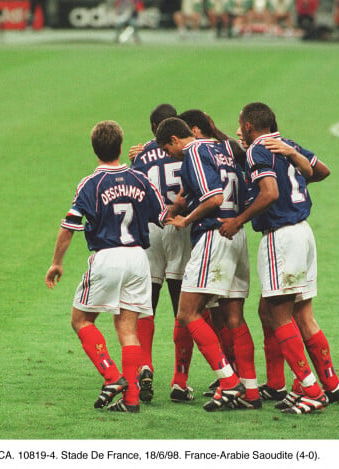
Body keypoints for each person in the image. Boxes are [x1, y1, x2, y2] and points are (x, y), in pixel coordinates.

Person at [220, 102, 339, 414]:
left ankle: (311, 389)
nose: (237, 130)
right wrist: (295, 164)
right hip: (304, 233)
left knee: (280, 316)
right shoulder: (285, 144)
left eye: (239, 124)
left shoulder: (257, 150)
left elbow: (270, 193)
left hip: (281, 237)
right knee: (296, 313)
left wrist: (238, 221)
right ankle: (327, 382)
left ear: (248, 126)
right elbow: (322, 170)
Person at [45, 120, 168, 413]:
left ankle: (112, 376)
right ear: (121, 147)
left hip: (108, 257)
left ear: (94, 149)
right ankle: (132, 399)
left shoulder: (90, 183)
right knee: (128, 329)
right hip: (140, 258)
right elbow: (161, 215)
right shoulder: (140, 179)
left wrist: (56, 263)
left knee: (81, 320)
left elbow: (69, 226)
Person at [156, 117, 260, 411]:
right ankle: (250, 391)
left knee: (188, 313)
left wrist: (186, 220)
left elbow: (214, 198)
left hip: (215, 235)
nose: (169, 156)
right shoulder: (222, 148)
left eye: (167, 149)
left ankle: (229, 381)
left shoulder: (195, 152)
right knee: (234, 317)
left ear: (176, 139)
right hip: (236, 236)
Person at [129, 104, 196, 404]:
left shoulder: (142, 156)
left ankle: (144, 364)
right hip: (180, 226)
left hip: (151, 228)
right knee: (182, 305)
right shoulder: (188, 152)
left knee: (146, 302)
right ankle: (180, 381)